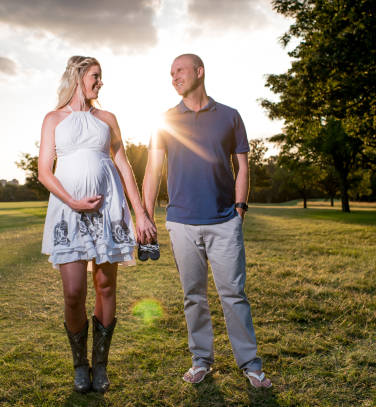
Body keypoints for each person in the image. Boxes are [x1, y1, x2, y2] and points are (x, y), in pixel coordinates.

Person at [142, 54, 272, 388]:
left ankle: (250, 364)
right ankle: (201, 361)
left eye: (180, 71)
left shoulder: (229, 117)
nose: (174, 77)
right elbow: (153, 170)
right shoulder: (165, 120)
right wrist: (145, 215)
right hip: (182, 223)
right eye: (170, 73)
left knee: (234, 295)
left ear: (200, 72)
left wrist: (239, 209)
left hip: (224, 221)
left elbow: (242, 165)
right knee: (193, 296)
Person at [39, 56, 155, 393]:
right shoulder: (53, 119)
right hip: (68, 212)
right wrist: (72, 201)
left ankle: (100, 366)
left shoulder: (107, 119)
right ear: (77, 76)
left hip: (109, 212)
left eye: (100, 77)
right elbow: (44, 171)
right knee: (74, 292)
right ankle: (80, 365)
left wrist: (140, 213)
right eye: (95, 76)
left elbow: (123, 165)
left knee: (106, 287)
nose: (100, 82)